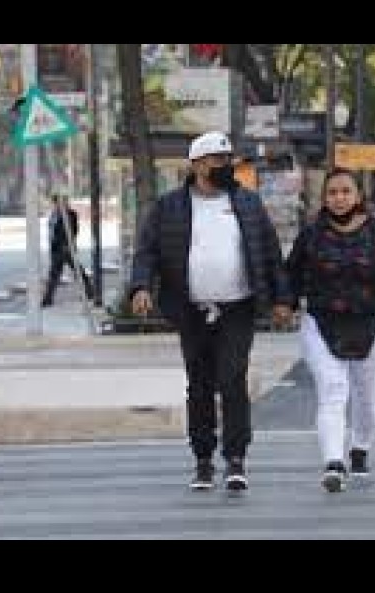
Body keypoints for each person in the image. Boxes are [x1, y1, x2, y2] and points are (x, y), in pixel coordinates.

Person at [129, 132, 294, 493]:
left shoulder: (247, 203)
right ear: (197, 164)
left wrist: (283, 300)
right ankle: (203, 459)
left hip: (238, 307)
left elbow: (269, 253)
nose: (225, 166)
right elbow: (147, 252)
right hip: (191, 310)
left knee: (233, 379)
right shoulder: (169, 206)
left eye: (228, 159)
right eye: (218, 160)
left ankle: (235, 458)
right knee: (200, 384)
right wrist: (140, 287)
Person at [286, 168, 375, 494]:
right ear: (324, 197)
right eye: (332, 192)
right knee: (333, 388)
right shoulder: (312, 234)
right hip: (321, 322)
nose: (339, 198)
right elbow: (292, 273)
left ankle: (360, 447)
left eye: (345, 191)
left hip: (372, 322)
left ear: (358, 196)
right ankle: (333, 463)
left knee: (366, 395)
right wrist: (285, 303)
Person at [41, 194, 94, 308]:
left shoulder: (70, 214)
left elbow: (74, 230)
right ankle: (48, 298)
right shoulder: (54, 214)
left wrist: (67, 244)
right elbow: (52, 231)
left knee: (77, 271)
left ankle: (89, 291)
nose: (56, 205)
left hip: (66, 248)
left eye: (59, 202)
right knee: (55, 274)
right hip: (56, 249)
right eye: (55, 203)